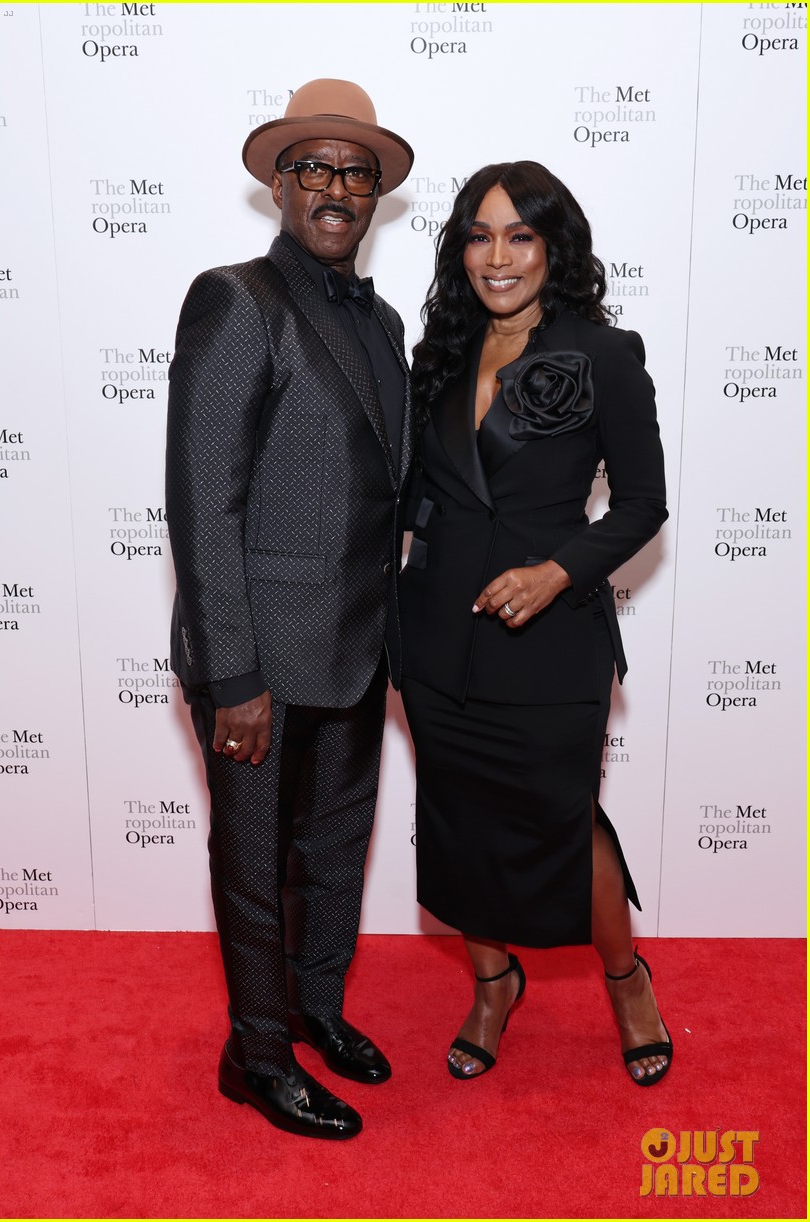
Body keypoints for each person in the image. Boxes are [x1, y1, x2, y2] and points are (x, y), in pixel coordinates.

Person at [165, 80, 414, 1139]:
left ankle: (315, 1009)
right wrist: (233, 674)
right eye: (314, 167)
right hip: (260, 659)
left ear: (374, 198)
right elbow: (201, 496)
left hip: (358, 647)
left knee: (334, 849)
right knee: (256, 864)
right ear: (278, 183)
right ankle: (255, 1052)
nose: (336, 189)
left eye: (355, 173)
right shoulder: (234, 299)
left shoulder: (385, 319)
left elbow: (386, 483)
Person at [399, 162, 672, 1085]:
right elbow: (411, 497)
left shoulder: (602, 355)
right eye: (479, 235)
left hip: (548, 647)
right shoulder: (436, 353)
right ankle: (491, 982)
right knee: (456, 819)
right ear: (459, 249)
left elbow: (641, 507)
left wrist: (558, 571)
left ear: (553, 248)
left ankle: (626, 979)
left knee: (564, 822)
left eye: (519, 235)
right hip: (437, 637)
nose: (498, 256)